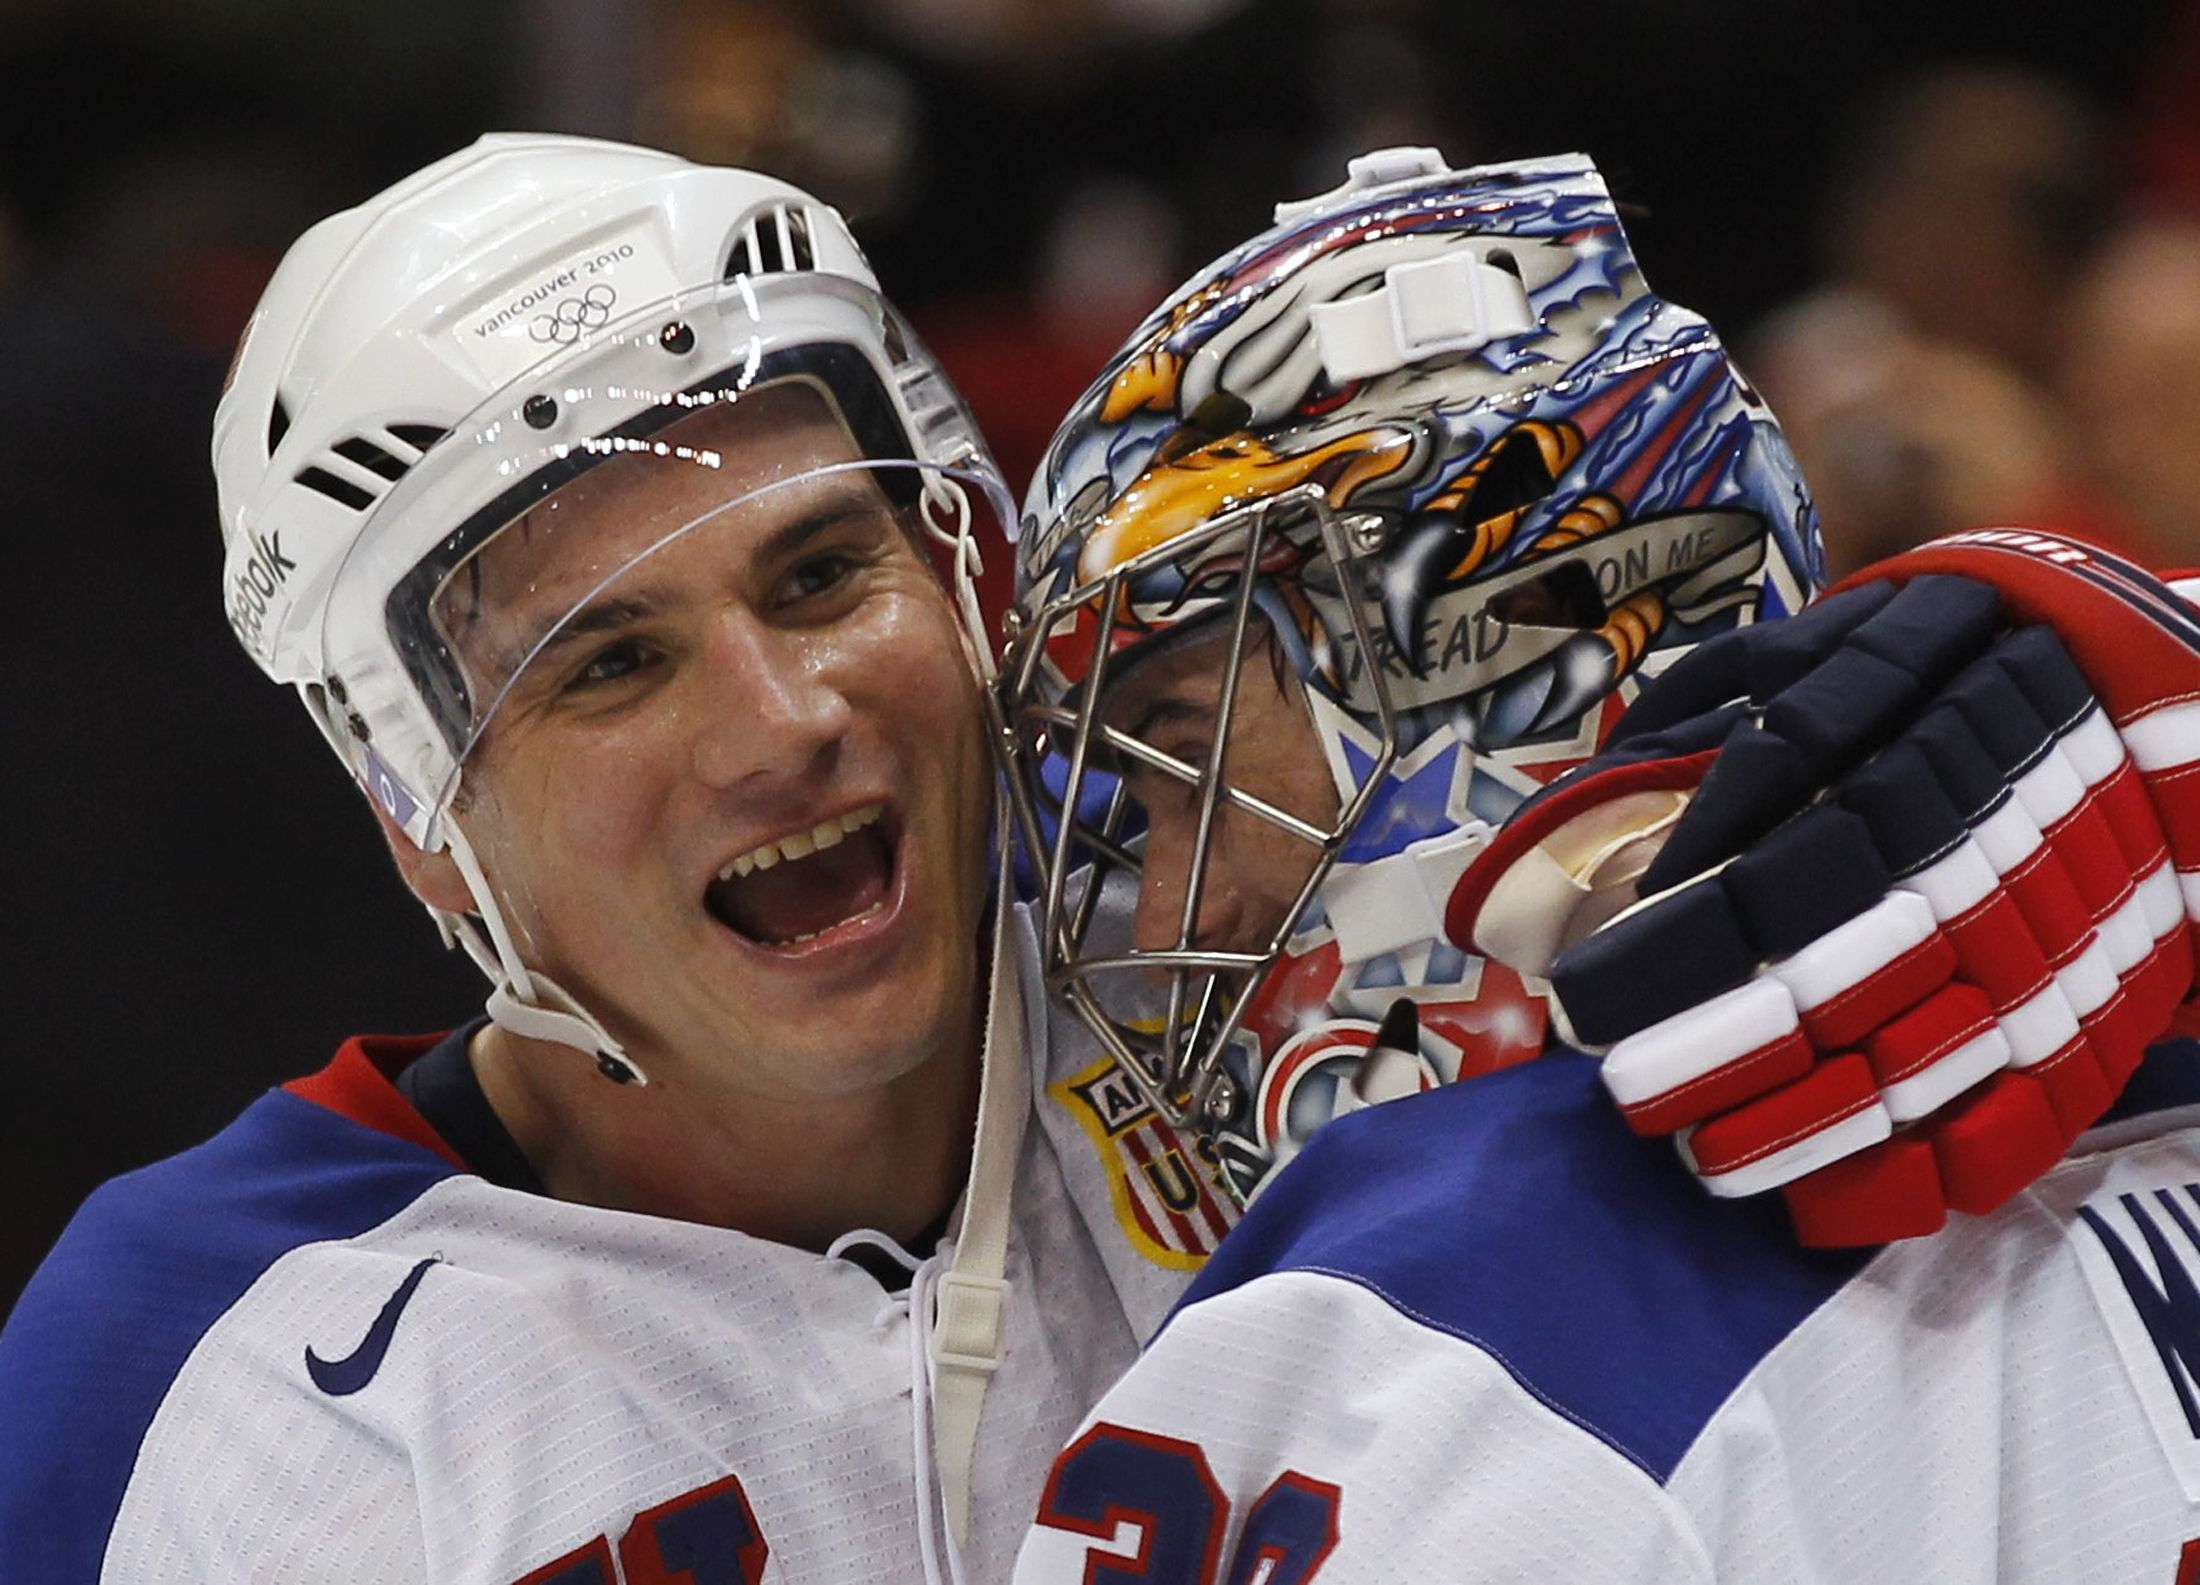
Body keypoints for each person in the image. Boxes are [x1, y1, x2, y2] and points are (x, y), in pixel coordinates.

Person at [0, 133, 1233, 1585]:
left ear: (963, 565)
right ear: (421, 818)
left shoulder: (1272, 1024)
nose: (781, 725)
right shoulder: (193, 1363)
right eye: (615, 662)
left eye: (823, 576)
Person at [997, 147, 2200, 1580]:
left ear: (1516, 644)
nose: (1194, 892)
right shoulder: (2124, 953)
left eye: (1183, 746)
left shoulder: (1443, 1325)